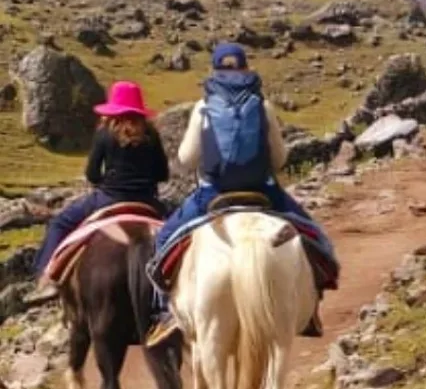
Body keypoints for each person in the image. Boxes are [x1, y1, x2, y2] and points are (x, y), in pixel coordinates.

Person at [146, 42, 335, 344]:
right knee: (316, 237)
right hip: (263, 192)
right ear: (246, 68)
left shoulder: (203, 107)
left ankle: (163, 312)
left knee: (163, 240)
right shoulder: (262, 105)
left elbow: (187, 159)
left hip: (212, 194)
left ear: (214, 70)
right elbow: (279, 160)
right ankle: (311, 307)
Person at [30, 81, 169, 298]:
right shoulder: (151, 135)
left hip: (108, 199)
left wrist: (107, 181)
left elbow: (91, 174)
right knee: (179, 228)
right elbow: (162, 174)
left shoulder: (104, 133)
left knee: (59, 223)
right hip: (147, 201)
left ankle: (46, 277)